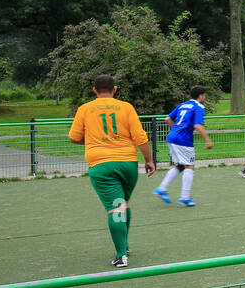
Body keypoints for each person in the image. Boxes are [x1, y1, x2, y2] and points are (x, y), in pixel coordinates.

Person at [67, 74, 156, 269]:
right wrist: (149, 160)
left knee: (115, 207)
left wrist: (92, 141)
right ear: (114, 89)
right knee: (123, 202)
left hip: (101, 165)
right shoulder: (126, 107)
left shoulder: (85, 109)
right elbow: (140, 137)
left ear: (94, 90)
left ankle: (120, 255)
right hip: (128, 163)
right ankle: (124, 244)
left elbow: (73, 137)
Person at [155, 86, 213, 206]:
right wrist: (208, 140)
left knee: (181, 165)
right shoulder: (199, 107)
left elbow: (168, 119)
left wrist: (175, 130)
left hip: (172, 137)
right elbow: (198, 125)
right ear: (200, 96)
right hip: (183, 140)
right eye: (204, 95)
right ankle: (185, 197)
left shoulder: (183, 105)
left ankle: (162, 189)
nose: (205, 97)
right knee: (190, 166)